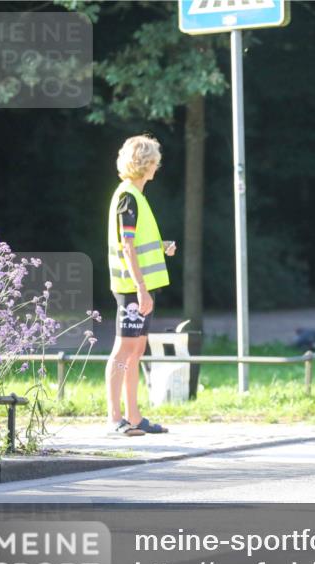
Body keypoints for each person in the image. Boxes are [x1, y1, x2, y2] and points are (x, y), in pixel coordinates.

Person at [105, 135, 177, 436]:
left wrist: (161, 245)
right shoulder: (128, 197)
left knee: (137, 349)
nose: (157, 166)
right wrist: (140, 288)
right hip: (131, 288)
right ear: (146, 163)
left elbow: (137, 241)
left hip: (138, 287)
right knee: (124, 350)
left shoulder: (136, 196)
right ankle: (115, 419)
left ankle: (134, 417)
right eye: (155, 160)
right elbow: (127, 246)